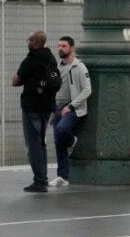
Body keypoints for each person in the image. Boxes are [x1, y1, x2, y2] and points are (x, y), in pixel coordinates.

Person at [13, 31, 59, 193]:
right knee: (41, 142)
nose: (28, 41)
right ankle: (43, 178)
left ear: (35, 42)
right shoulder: (51, 58)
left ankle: (39, 181)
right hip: (47, 107)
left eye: (29, 39)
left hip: (32, 106)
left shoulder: (30, 60)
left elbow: (16, 81)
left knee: (33, 144)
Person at [50, 36, 91, 187]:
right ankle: (62, 176)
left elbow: (87, 90)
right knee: (58, 142)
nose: (60, 48)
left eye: (64, 46)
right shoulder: (57, 67)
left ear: (71, 48)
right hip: (57, 107)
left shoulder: (79, 67)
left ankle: (72, 140)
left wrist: (72, 106)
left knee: (62, 130)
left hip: (72, 108)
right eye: (59, 45)